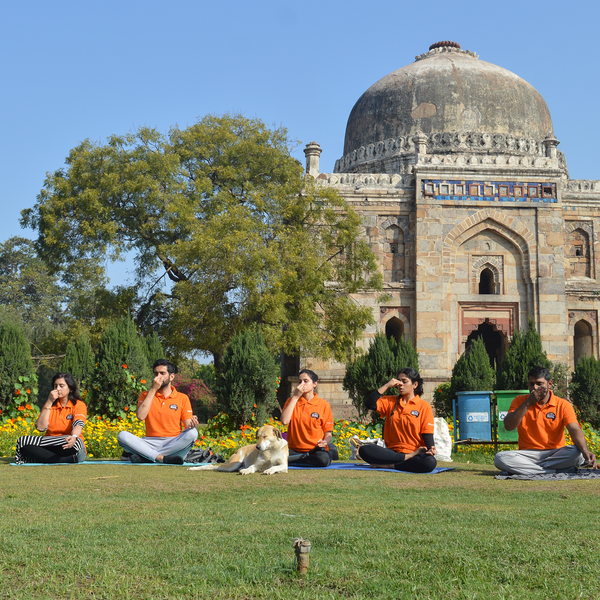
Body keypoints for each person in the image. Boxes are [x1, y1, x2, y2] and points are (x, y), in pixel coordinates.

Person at [494, 366, 597, 475]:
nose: (534, 388)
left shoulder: (562, 404)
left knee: (576, 452)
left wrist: (585, 451)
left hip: (555, 454)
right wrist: (528, 403)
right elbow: (509, 426)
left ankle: (531, 470)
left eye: (539, 384)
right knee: (500, 458)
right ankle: (552, 471)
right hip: (528, 455)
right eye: (531, 384)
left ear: (550, 384)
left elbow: (574, 429)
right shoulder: (520, 401)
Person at [117, 359, 198, 465]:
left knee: (193, 433)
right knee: (122, 436)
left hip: (173, 443)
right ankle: (161, 458)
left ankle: (148, 456)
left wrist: (193, 423)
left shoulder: (182, 398)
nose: (158, 377)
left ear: (171, 377)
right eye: (156, 373)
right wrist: (153, 389)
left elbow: (188, 427)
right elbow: (141, 416)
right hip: (150, 442)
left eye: (162, 373)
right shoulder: (145, 395)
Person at [358, 367, 437, 473]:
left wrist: (430, 448)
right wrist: (387, 385)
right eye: (399, 381)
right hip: (392, 452)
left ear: (415, 385)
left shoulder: (424, 406)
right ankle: (405, 459)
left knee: (429, 462)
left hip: (415, 452)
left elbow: (427, 432)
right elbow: (369, 403)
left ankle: (390, 466)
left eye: (404, 381)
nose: (400, 384)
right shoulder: (390, 401)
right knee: (364, 450)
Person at [15, 373, 87, 464]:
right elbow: (41, 428)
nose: (57, 389)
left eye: (61, 386)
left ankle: (47, 458)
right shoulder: (49, 406)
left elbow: (78, 424)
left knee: (77, 442)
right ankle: (62, 460)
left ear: (70, 388)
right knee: (23, 442)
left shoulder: (78, 405)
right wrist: (49, 402)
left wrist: (74, 437)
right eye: (55, 386)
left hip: (69, 444)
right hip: (49, 444)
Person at [281, 369, 335, 467]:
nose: (302, 384)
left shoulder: (324, 405)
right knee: (276, 456)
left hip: (315, 450)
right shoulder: (291, 401)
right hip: (293, 450)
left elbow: (328, 434)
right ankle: (300, 459)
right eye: (299, 381)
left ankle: (297, 460)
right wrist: (295, 397)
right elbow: (284, 421)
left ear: (314, 384)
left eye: (306, 381)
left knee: (323, 459)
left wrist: (325, 442)